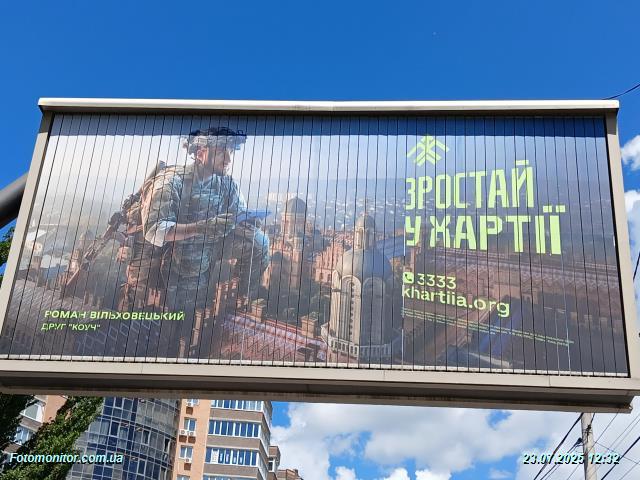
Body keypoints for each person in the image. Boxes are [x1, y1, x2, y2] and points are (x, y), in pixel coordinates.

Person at [141, 126, 270, 358]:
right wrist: (203, 227)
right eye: (221, 152)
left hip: (211, 255)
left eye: (231, 151)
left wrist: (247, 222)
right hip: (177, 264)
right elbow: (154, 229)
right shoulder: (172, 181)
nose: (228, 159)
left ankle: (240, 302)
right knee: (175, 331)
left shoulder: (227, 184)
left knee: (259, 243)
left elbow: (236, 214)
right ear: (201, 153)